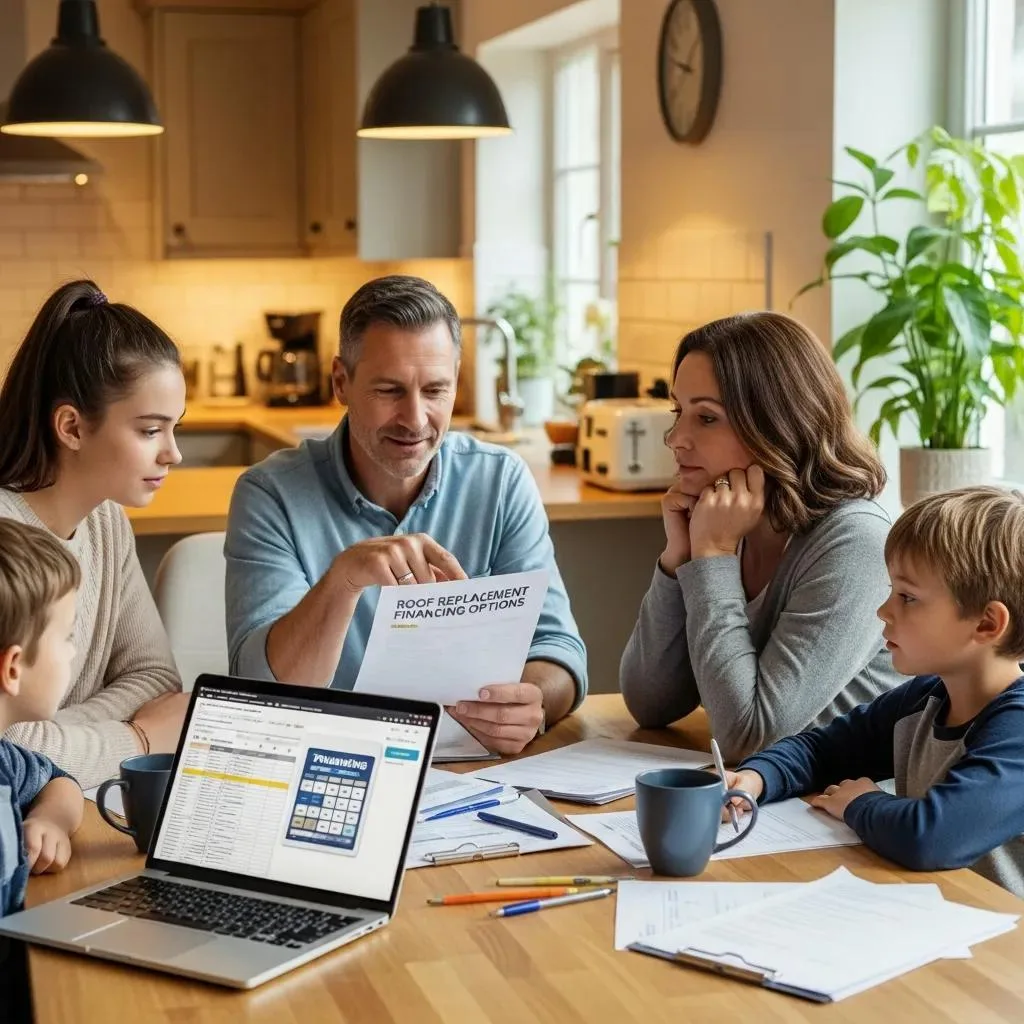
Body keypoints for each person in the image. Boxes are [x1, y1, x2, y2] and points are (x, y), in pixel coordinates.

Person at [226, 274, 586, 755]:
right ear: (341, 382)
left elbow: (557, 649)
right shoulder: (269, 494)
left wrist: (534, 700)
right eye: (390, 390)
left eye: (435, 390)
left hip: (468, 774)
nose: (415, 419)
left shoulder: (500, 482)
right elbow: (262, 688)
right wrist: (344, 581)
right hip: (325, 765)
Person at [620, 312, 903, 762]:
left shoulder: (857, 543)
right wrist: (679, 560)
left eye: (706, 418)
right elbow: (650, 703)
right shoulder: (732, 524)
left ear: (777, 423)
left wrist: (711, 557)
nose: (675, 438)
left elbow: (748, 737)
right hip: (783, 800)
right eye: (679, 413)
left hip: (861, 814)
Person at [724, 487, 1024, 896]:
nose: (884, 611)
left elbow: (934, 836)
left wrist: (858, 804)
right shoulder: (924, 699)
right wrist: (756, 779)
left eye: (908, 597)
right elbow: (820, 751)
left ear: (987, 623)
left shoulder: (1017, 730)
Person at [0, 280, 187, 789]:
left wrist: (47, 739)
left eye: (175, 428)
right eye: (150, 430)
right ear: (72, 427)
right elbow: (4, 750)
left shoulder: (106, 522)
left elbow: (156, 681)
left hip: (64, 809)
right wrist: (138, 740)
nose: (173, 453)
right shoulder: (5, 546)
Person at [0, 519, 85, 917]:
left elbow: (59, 781)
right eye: (66, 636)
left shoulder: (5, 761)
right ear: (13, 668)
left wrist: (50, 820)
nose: (72, 652)